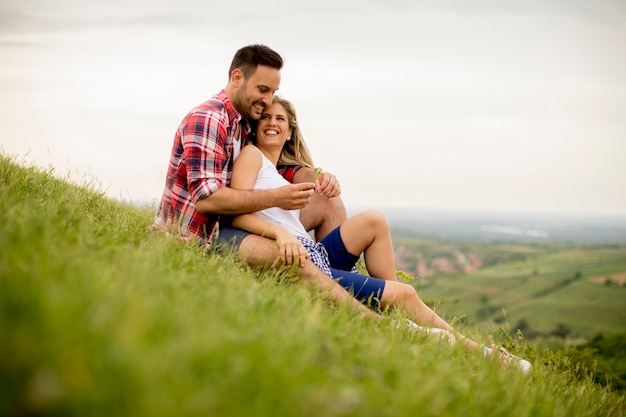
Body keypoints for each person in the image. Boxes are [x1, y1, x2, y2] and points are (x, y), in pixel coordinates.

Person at [229, 96, 532, 374]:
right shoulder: (252, 156)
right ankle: (484, 354)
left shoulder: (278, 168)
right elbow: (238, 211)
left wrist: (321, 178)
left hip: (313, 253)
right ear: (255, 127)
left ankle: (397, 307)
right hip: (299, 257)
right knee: (406, 294)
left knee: (373, 220)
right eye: (265, 117)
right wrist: (280, 235)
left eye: (280, 119)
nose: (271, 122)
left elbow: (306, 174)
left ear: (290, 132)